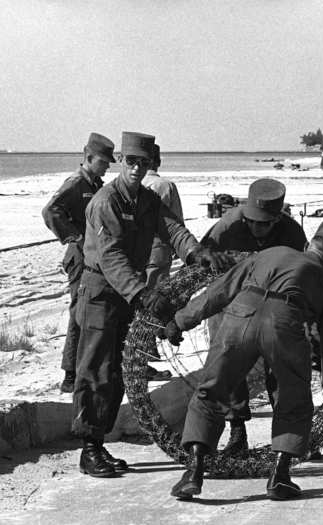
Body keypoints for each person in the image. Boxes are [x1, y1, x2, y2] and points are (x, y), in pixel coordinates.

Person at [72, 131, 231, 478]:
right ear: (120, 162)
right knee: (96, 369)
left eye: (143, 164)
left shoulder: (145, 200)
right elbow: (111, 256)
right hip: (101, 292)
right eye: (131, 162)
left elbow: (173, 229)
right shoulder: (105, 201)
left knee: (118, 371)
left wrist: (196, 253)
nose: (137, 169)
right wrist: (142, 294)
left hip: (126, 292)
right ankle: (89, 447)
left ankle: (99, 443)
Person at [164, 220, 323, 500]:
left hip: (238, 318)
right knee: (293, 398)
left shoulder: (270, 253)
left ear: (308, 244)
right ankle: (280, 477)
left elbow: (220, 290)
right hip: (284, 325)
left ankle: (194, 472)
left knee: (211, 392)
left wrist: (180, 321)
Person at [200, 178, 308, 455]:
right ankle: (237, 432)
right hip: (232, 303)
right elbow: (202, 261)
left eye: (265, 224)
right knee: (228, 368)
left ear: (277, 219)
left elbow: (306, 275)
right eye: (253, 223)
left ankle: (291, 435)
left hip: (275, 305)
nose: (258, 229)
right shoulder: (227, 226)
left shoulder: (292, 233)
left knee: (284, 370)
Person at [42, 133, 114, 393]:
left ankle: (85, 367)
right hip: (79, 258)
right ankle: (70, 373)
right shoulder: (75, 184)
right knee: (78, 313)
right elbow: (50, 211)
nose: (107, 166)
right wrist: (75, 236)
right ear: (88, 158)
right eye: (103, 161)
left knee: (92, 311)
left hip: (94, 257)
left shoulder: (95, 185)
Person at [141, 143, 184, 381]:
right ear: (158, 161)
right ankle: (148, 350)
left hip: (136, 251)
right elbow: (176, 222)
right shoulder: (165, 186)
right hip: (158, 248)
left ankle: (144, 348)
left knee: (140, 296)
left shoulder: (129, 184)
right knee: (156, 296)